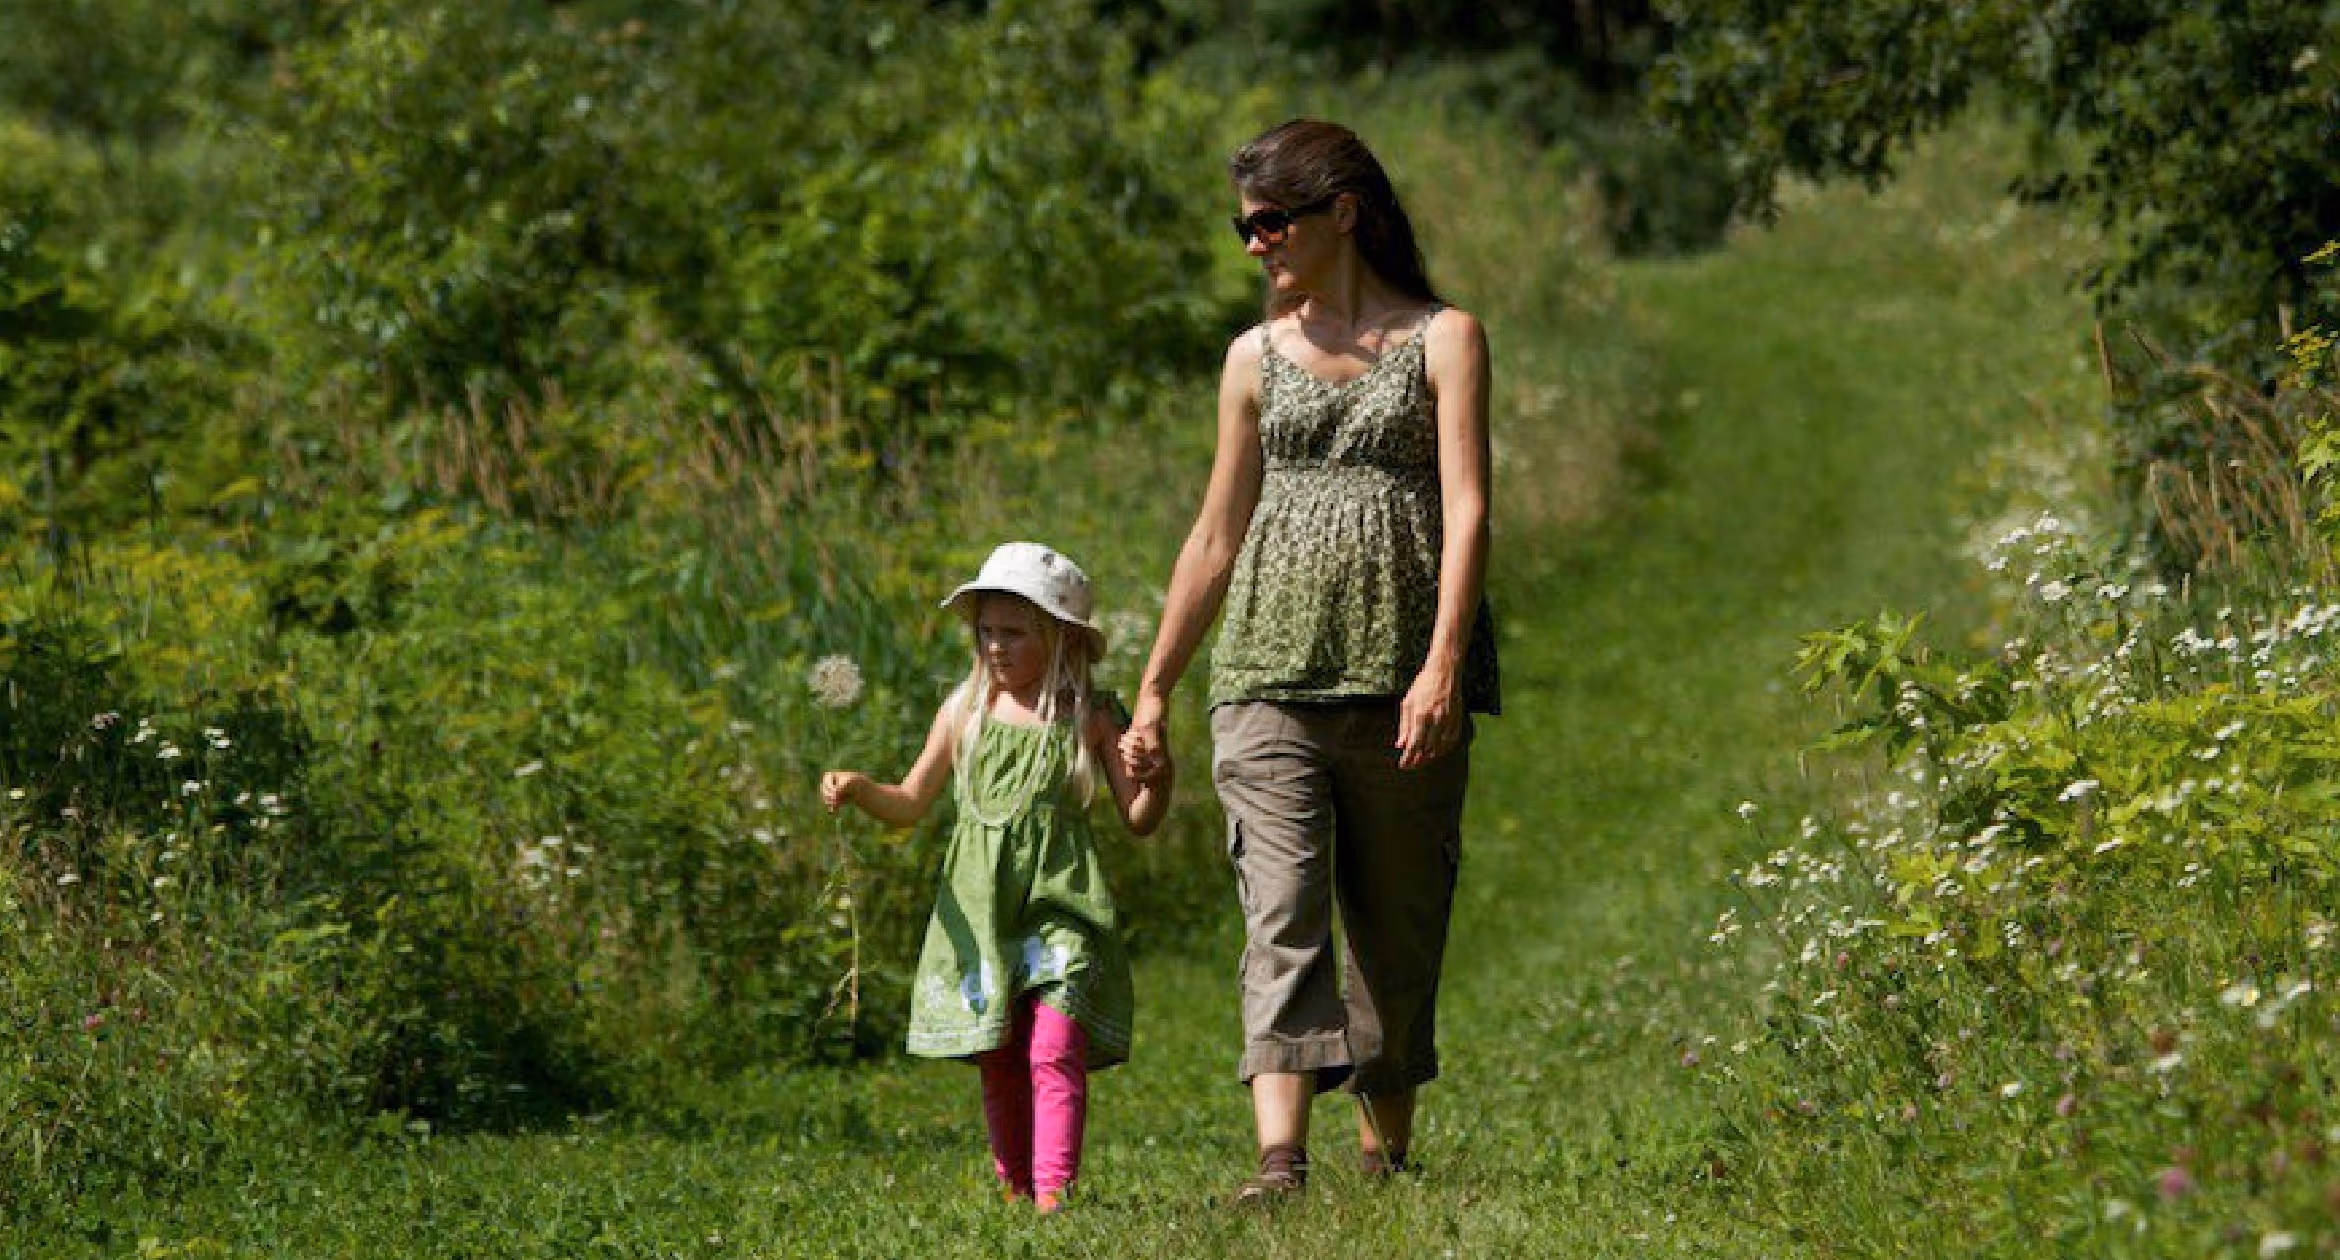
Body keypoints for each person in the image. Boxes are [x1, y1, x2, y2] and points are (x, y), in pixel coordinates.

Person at [1118, 118, 1500, 1203]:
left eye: (1271, 221)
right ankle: (1279, 1164)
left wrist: (1441, 667)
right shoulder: (1251, 360)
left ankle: (1385, 1149)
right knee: (1279, 911)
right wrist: (1157, 686)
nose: (1255, 244)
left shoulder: (1445, 338)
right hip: (1267, 673)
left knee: (1397, 920)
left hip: (1399, 679)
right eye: (1243, 227)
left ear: (1343, 212)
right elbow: (1213, 533)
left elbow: (1469, 511)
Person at [821, 541, 1170, 1214]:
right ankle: (1014, 1189)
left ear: (1058, 636)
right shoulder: (964, 712)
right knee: (1000, 1052)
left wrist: (1160, 776)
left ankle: (1053, 1195)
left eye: (1013, 633)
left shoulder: (1090, 714)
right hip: (983, 907)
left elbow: (1140, 817)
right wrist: (863, 789)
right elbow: (911, 802)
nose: (996, 647)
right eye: (985, 632)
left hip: (1061, 904)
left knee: (1055, 1041)